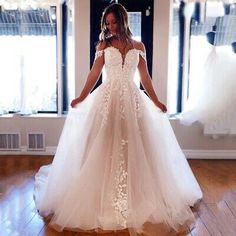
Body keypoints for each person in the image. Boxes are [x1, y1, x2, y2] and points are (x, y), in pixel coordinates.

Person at [34, 3, 202, 236]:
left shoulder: (139, 46)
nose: (111, 27)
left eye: (114, 22)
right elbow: (94, 73)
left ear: (123, 21)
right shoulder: (104, 45)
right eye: (108, 23)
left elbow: (145, 78)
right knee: (103, 144)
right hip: (107, 100)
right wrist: (81, 96)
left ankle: (138, 194)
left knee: (137, 146)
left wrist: (156, 102)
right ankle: (101, 194)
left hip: (133, 101)